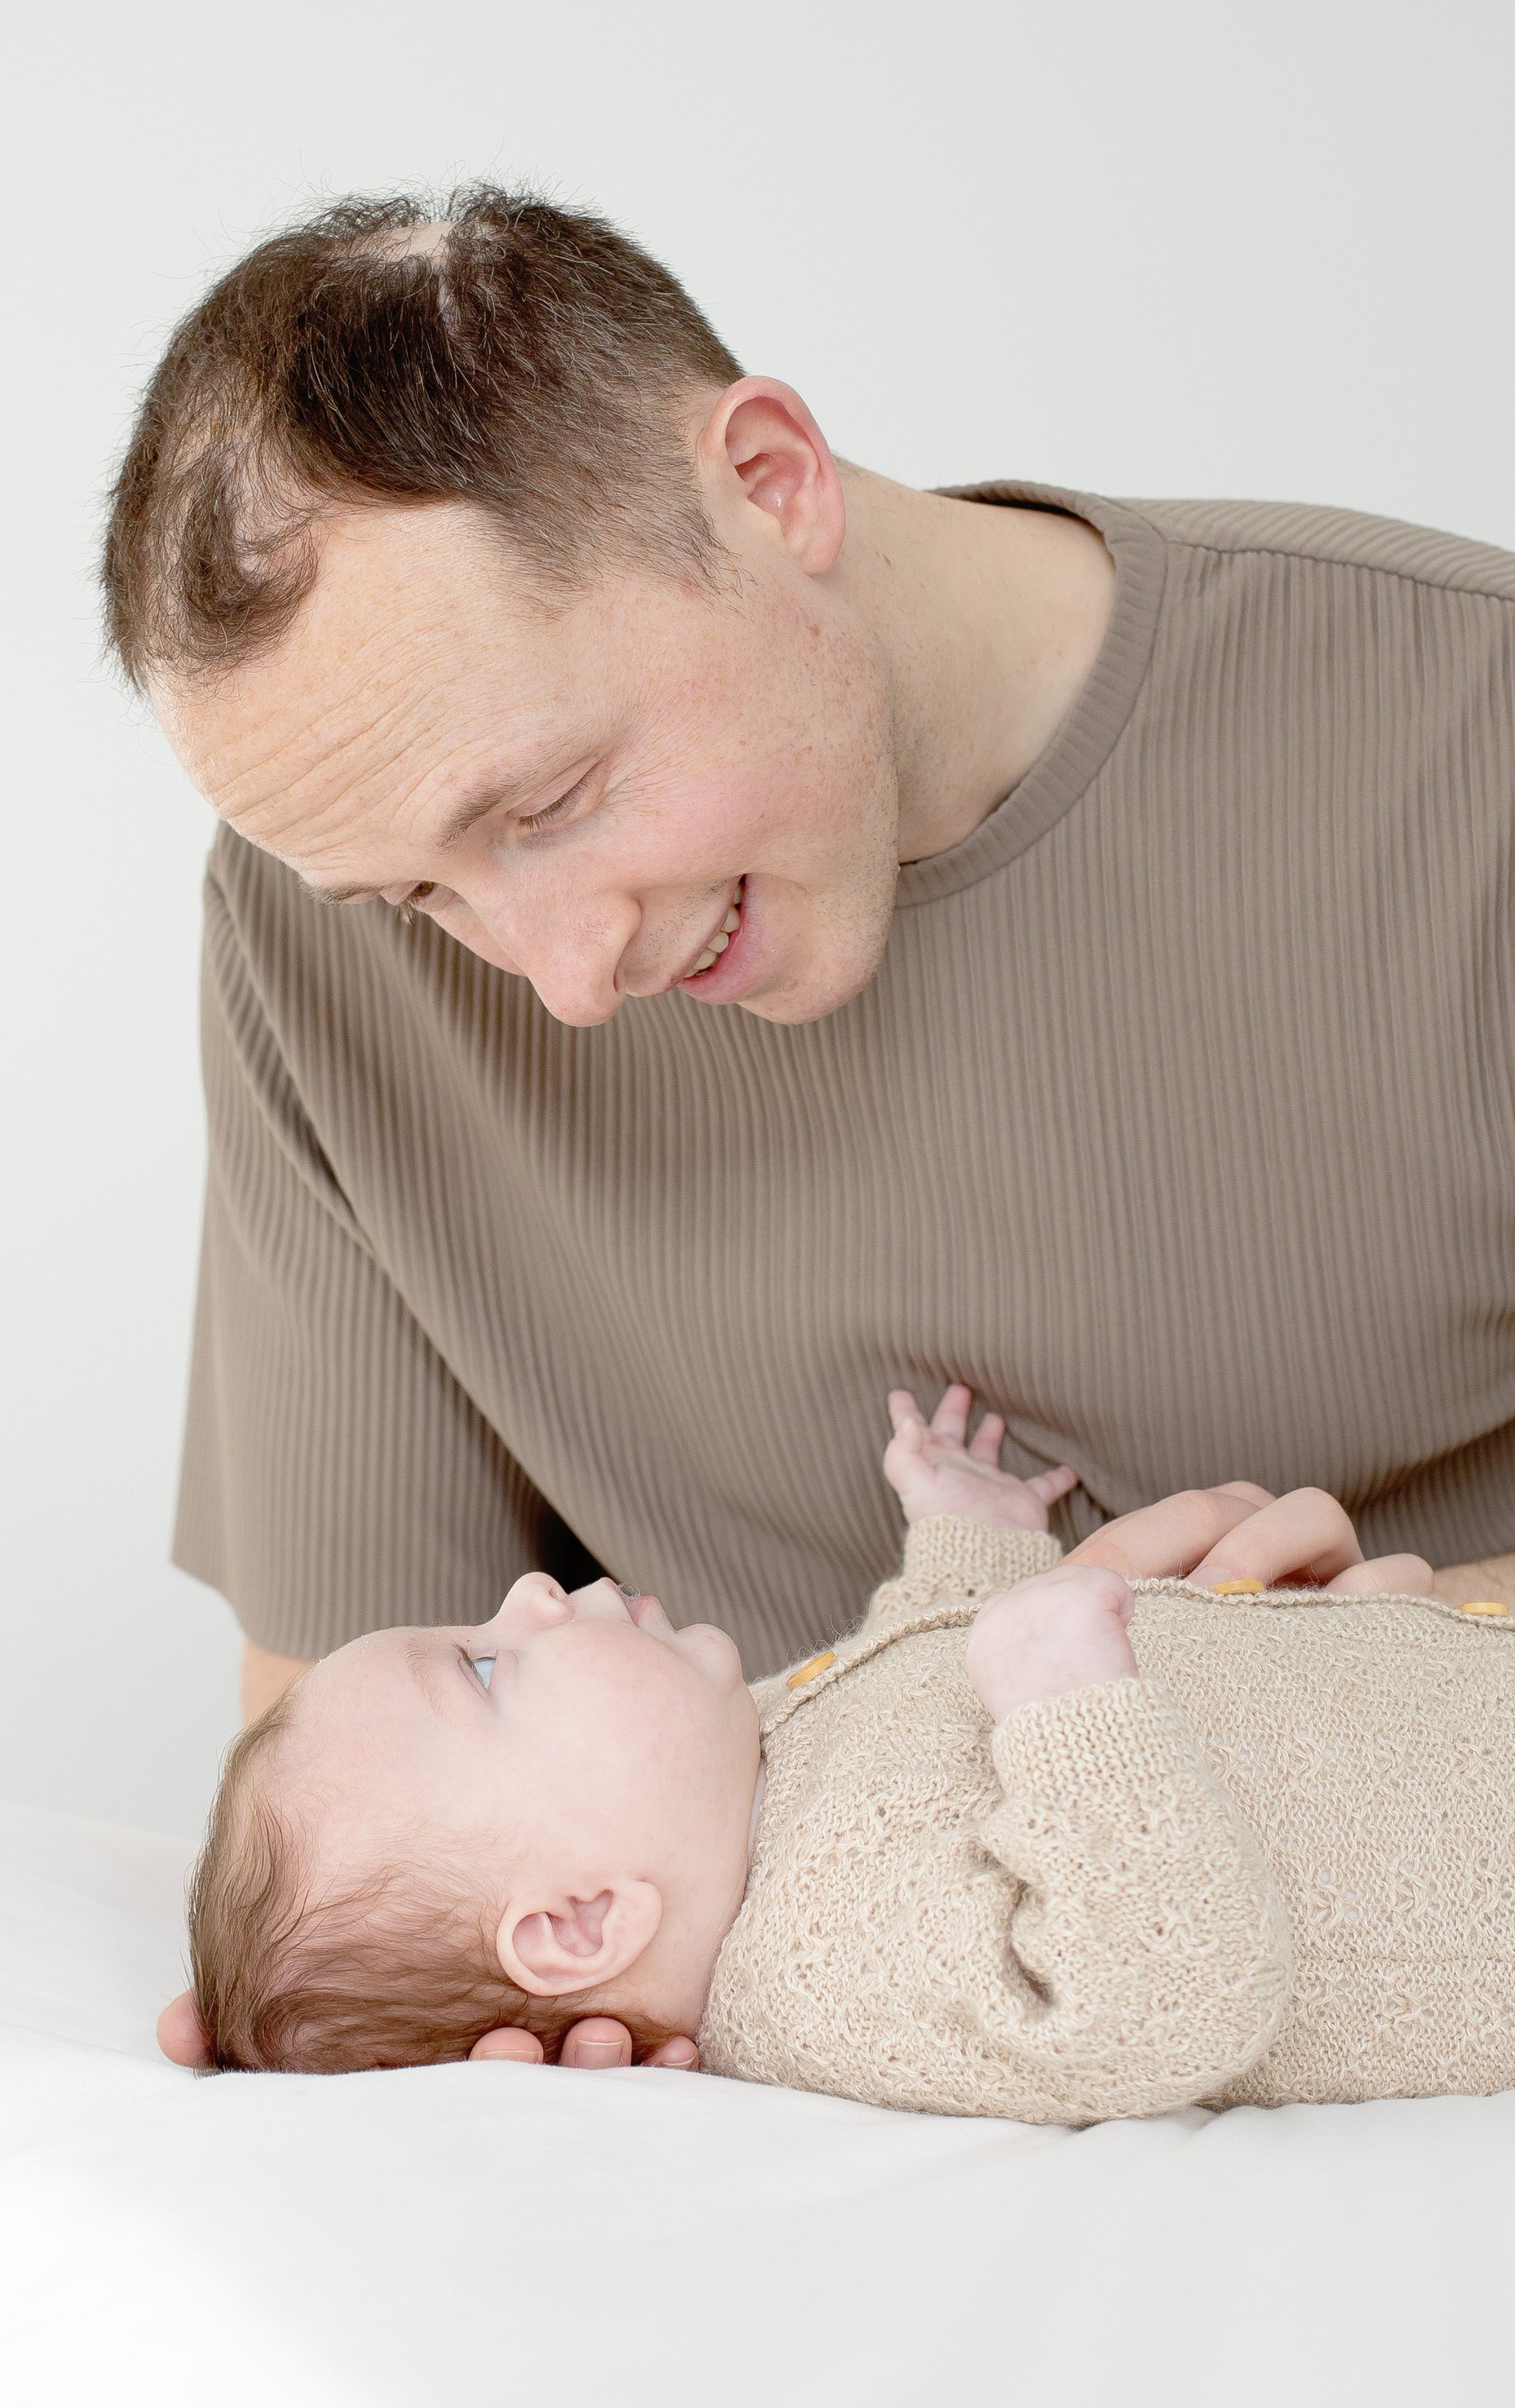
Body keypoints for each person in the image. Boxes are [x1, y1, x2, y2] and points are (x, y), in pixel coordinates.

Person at [101, 186, 1515, 2072]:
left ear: (768, 484)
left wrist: (1250, 1672)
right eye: (417, 899)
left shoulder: (1465, 740)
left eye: (549, 803)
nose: (558, 982)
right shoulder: (315, 937)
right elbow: (363, 1748)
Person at [182, 1386, 1515, 2119]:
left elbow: (933, 1674)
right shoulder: (828, 1971)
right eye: (484, 1664)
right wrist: (1071, 1712)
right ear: (584, 1918)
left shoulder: (753, 1768)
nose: (530, 1597)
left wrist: (971, 1541)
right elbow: (1158, 2007)